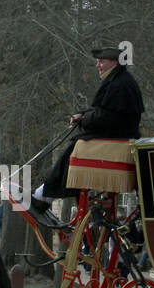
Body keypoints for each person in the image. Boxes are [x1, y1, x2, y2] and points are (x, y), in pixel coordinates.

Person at [34, 46, 144, 207]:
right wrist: (82, 114)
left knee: (76, 147)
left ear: (114, 62)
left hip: (117, 135)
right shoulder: (119, 80)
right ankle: (46, 193)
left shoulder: (119, 84)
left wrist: (84, 119)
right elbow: (102, 110)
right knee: (75, 145)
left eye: (101, 62)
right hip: (116, 133)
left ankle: (45, 194)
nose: (97, 65)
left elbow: (107, 117)